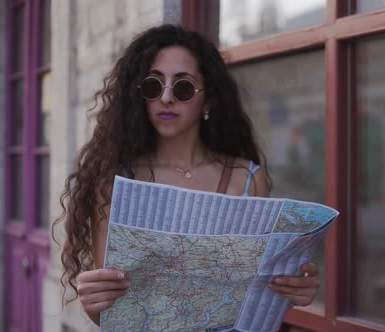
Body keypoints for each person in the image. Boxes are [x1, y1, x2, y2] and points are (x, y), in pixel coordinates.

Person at [53, 24, 321, 326]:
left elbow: (258, 298)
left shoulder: (245, 178)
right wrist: (93, 301)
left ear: (207, 100)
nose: (166, 97)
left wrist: (294, 289)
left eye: (183, 87)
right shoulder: (115, 182)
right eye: (154, 85)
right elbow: (109, 313)